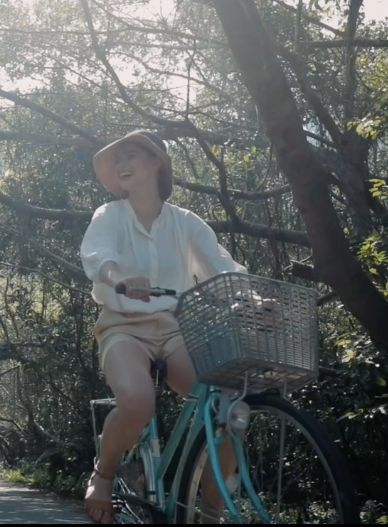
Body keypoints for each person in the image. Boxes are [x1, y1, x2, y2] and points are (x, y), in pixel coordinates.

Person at [79, 131, 267, 524]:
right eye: (117, 161)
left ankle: (210, 509)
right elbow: (99, 256)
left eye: (131, 156)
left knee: (229, 404)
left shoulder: (185, 222)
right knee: (136, 402)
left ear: (155, 163)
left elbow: (223, 269)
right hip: (123, 326)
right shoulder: (109, 215)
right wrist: (120, 277)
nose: (122, 165)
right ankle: (104, 473)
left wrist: (254, 300)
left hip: (179, 329)